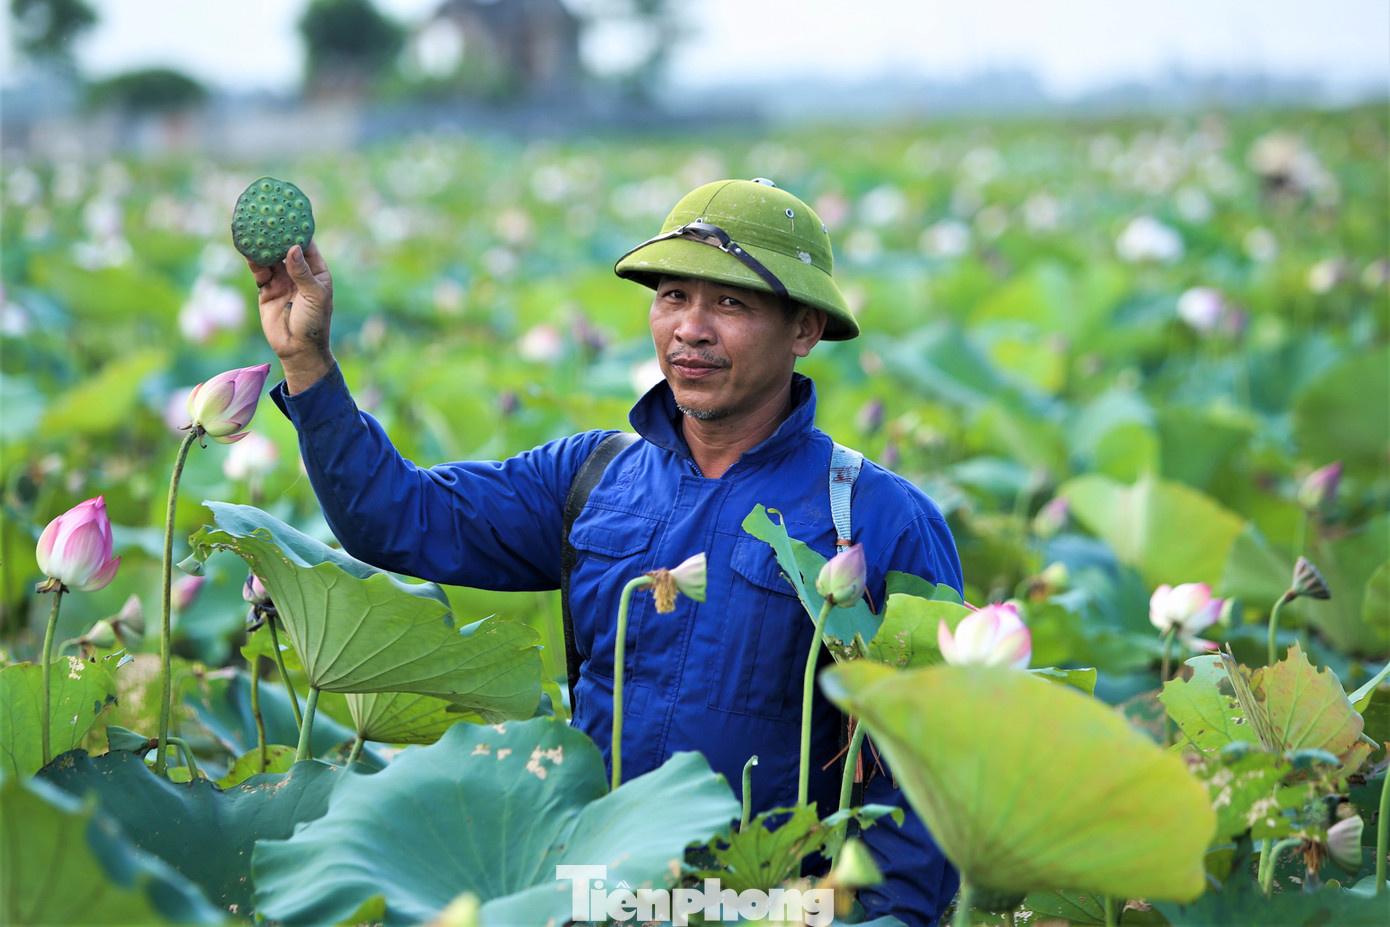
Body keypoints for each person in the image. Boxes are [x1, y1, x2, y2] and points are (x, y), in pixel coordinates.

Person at [248, 178, 963, 924]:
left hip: (768, 904)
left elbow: (923, 785)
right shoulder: (590, 476)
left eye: (729, 303)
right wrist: (308, 361)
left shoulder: (877, 519)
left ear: (804, 329)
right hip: (593, 899)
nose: (690, 329)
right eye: (673, 296)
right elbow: (398, 518)